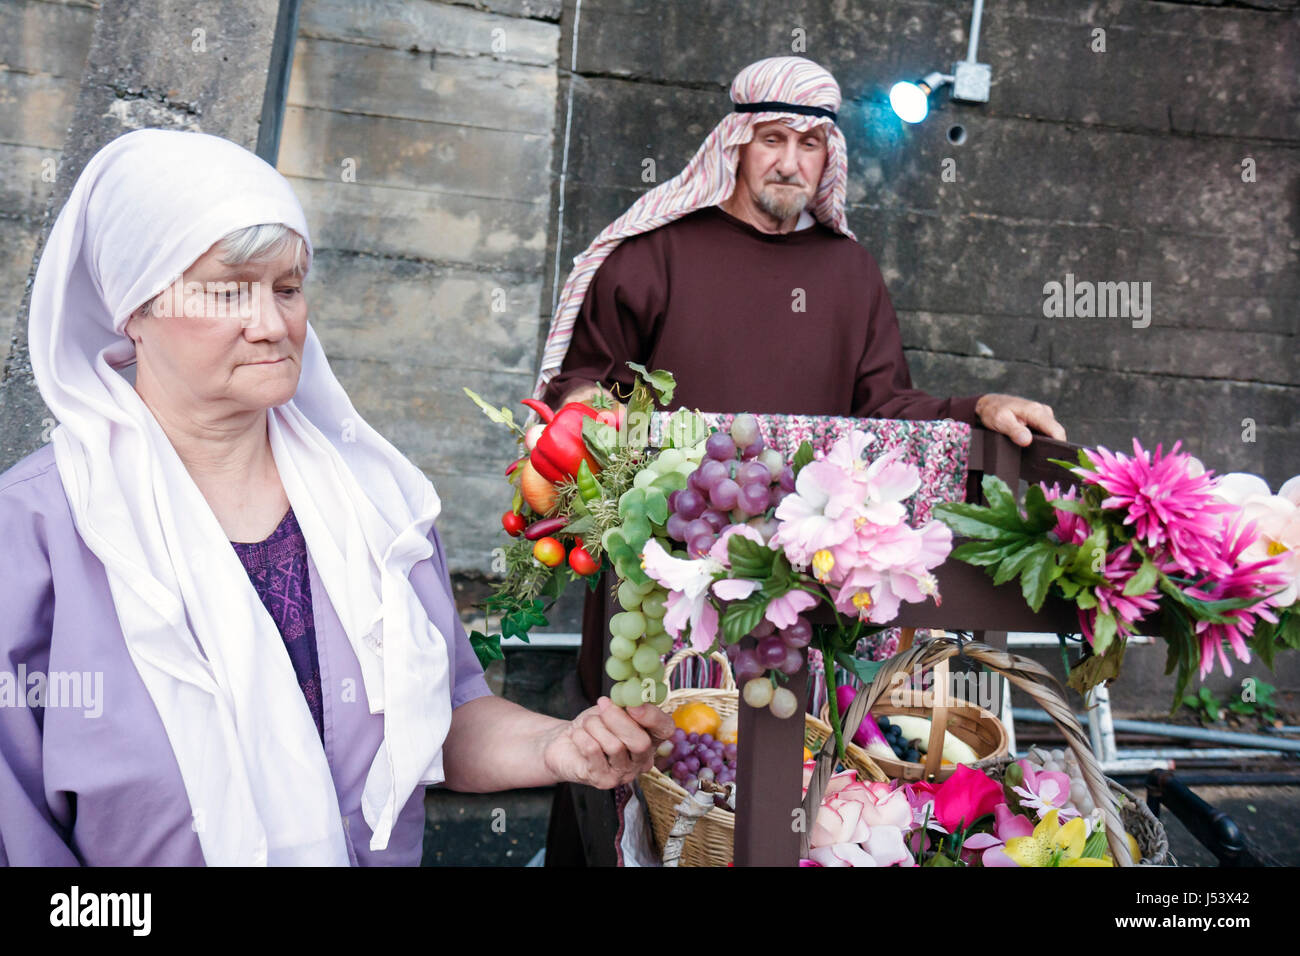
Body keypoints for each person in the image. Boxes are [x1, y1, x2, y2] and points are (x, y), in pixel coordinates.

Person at [0, 128, 673, 866]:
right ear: (133, 309)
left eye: (287, 289)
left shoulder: (371, 504)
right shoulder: (39, 532)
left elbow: (445, 718)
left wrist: (558, 745)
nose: (272, 324)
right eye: (229, 291)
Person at [536, 56, 1067, 865]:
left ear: (829, 159)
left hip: (798, 589)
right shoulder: (656, 253)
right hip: (665, 582)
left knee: (781, 782)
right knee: (635, 773)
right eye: (773, 139)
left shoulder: (847, 273)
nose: (790, 160)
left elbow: (886, 409)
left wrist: (979, 410)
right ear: (736, 145)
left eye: (811, 143)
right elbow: (583, 389)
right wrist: (592, 409)